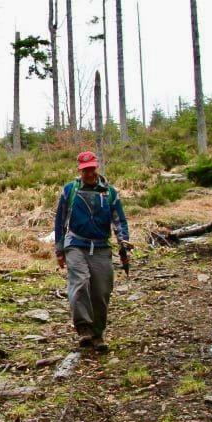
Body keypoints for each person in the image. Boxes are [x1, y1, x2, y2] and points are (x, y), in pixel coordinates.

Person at [54, 151, 131, 354]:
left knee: (101, 290)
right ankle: (84, 327)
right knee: (80, 282)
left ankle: (98, 334)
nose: (89, 173)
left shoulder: (110, 193)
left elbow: (119, 220)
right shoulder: (70, 190)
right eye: (85, 170)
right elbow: (60, 220)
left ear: (96, 167)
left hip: (101, 246)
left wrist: (124, 243)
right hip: (75, 243)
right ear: (79, 169)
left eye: (92, 169)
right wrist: (59, 250)